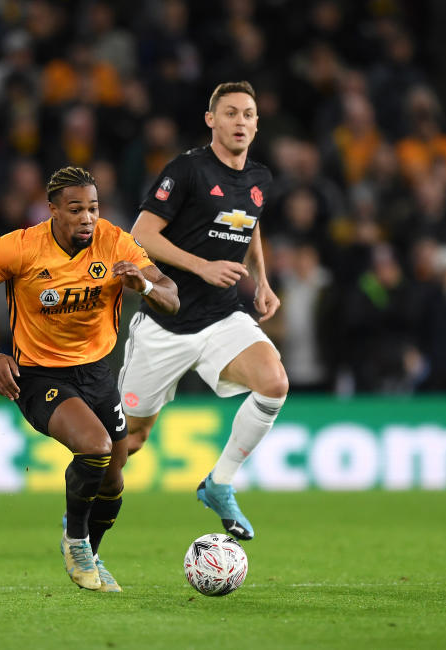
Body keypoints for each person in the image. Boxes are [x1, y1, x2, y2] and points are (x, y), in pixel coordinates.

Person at [0, 166, 179, 591]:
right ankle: (75, 544)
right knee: (96, 448)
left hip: (95, 371)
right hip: (36, 374)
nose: (87, 217)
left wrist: (143, 285)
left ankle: (91, 549)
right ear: (52, 210)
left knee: (114, 475)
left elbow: (171, 296)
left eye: (92, 207)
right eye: (75, 209)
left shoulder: (114, 241)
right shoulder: (22, 246)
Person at [117, 81, 289, 540]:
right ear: (211, 120)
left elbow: (249, 227)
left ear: (257, 123)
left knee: (274, 384)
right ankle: (88, 499)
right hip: (165, 321)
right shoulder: (187, 170)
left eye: (248, 114)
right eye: (230, 113)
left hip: (222, 317)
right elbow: (142, 235)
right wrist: (202, 266)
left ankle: (220, 483)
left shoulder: (259, 179)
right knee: (130, 438)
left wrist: (262, 281)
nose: (240, 122)